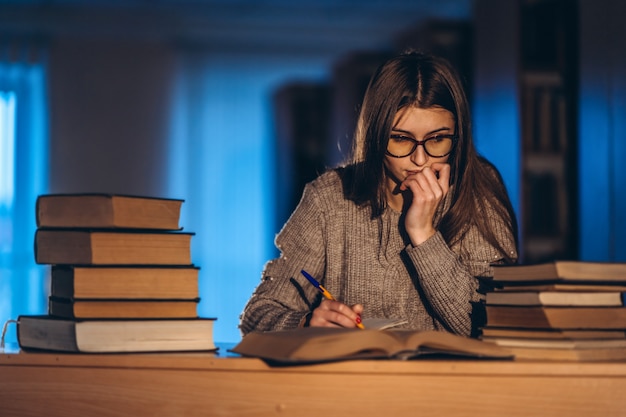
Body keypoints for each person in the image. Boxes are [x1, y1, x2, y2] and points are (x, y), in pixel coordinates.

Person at [239, 50, 518, 338]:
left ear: (457, 135)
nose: (420, 160)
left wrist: (423, 235)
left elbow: (488, 328)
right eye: (400, 139)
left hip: (447, 381)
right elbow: (257, 315)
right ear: (375, 135)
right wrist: (305, 322)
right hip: (354, 381)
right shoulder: (330, 198)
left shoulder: (478, 192)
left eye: (437, 139)